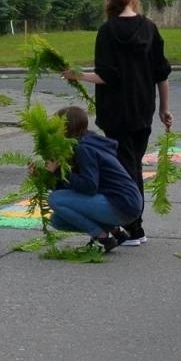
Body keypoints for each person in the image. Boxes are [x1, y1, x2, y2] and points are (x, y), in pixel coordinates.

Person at [62, 0, 172, 246]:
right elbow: (162, 74)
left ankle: (134, 227)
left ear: (109, 0)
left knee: (126, 169)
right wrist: (164, 108)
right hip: (143, 108)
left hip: (115, 111)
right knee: (132, 163)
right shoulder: (150, 28)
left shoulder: (107, 31)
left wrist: (77, 75)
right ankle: (132, 225)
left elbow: (106, 75)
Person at [39, 105, 143, 253]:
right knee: (58, 219)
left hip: (122, 204)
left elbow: (89, 187)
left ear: (66, 129)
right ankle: (116, 232)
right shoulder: (86, 142)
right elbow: (71, 191)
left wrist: (59, 171)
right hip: (124, 203)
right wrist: (48, 175)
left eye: (57, 128)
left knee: (54, 199)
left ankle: (102, 238)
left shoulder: (84, 149)